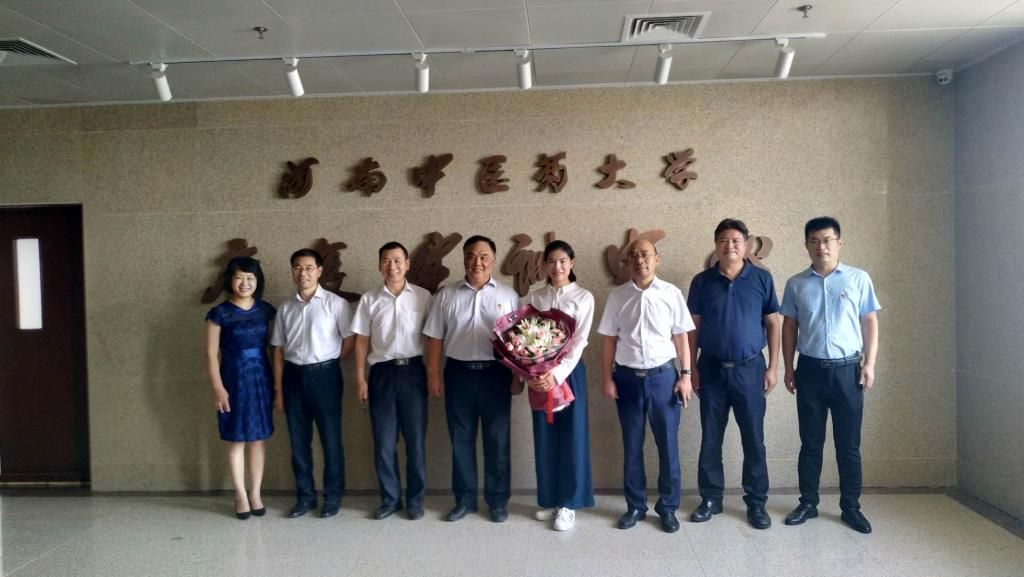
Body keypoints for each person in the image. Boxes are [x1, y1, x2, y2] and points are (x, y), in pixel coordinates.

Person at [781, 216, 880, 534]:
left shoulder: (858, 279)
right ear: (806, 245)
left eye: (826, 240)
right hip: (810, 371)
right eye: (814, 241)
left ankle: (851, 507)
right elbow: (789, 327)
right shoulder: (796, 284)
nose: (820, 246)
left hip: (848, 371)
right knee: (810, 444)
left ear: (839, 243)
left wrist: (869, 363)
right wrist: (788, 367)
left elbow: (869, 321)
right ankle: (807, 503)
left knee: (848, 445)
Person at [686, 218, 781, 529]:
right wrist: (690, 368)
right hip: (711, 370)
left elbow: (773, 323)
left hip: (750, 370)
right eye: (723, 240)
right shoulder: (702, 282)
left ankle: (756, 502)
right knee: (711, 438)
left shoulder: (762, 279)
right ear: (716, 245)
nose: (730, 245)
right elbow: (693, 328)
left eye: (736, 240)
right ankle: (710, 498)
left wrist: (773, 367)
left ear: (746, 245)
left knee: (753, 438)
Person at [597, 239, 694, 533]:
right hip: (627, 379)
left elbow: (681, 337)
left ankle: (668, 508)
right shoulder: (617, 296)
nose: (640, 260)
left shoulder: (671, 293)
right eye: (634, 255)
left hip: (664, 379)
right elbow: (609, 340)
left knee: (668, 447)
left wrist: (686, 375)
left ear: (656, 258)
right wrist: (607, 378)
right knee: (632, 446)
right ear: (628, 261)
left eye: (645, 254)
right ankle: (635, 506)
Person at [424, 235, 521, 523]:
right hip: (458, 374)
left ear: (493, 259)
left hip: (497, 374)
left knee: (497, 441)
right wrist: (433, 374)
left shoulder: (508, 296)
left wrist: (518, 377)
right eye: (471, 255)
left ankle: (497, 502)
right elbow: (434, 338)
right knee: (461, 439)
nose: (477, 262)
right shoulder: (446, 295)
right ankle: (464, 500)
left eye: (483, 256)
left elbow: (520, 341)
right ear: (464, 258)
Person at [351, 242, 433, 521]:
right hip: (381, 374)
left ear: (407, 264)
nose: (392, 266)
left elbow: (433, 338)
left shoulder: (423, 297)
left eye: (398, 260)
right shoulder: (369, 299)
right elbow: (361, 341)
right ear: (379, 265)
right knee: (384, 442)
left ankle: (415, 501)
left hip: (413, 373)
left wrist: (432, 374)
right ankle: (390, 499)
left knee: (415, 442)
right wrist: (360, 378)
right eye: (386, 261)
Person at [271, 248, 354, 519]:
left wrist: (330, 362)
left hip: (325, 376)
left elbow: (350, 339)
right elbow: (278, 350)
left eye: (308, 268)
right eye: (297, 267)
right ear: (292, 271)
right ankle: (305, 497)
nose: (303, 273)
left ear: (319, 271)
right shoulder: (285, 308)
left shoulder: (335, 304)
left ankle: (332, 497)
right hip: (293, 376)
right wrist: (279, 390)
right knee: (298, 442)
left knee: (331, 440)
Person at [521, 240, 595, 531]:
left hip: (569, 375)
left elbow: (580, 342)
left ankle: (569, 503)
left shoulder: (583, 297)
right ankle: (550, 499)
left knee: (572, 435)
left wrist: (558, 373)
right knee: (545, 433)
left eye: (563, 260)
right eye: (551, 261)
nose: (557, 266)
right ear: (544, 265)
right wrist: (530, 372)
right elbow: (524, 340)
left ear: (572, 263)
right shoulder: (535, 297)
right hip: (540, 376)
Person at [204, 256, 276, 520]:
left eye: (250, 278)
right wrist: (218, 388)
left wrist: (277, 384)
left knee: (257, 438)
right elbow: (211, 354)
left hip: (261, 378)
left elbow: (274, 348)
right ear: (230, 280)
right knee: (236, 438)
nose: (245, 283)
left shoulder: (266, 310)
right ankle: (240, 494)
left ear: (258, 281)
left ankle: (255, 493)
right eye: (239, 277)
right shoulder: (219, 313)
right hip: (232, 379)